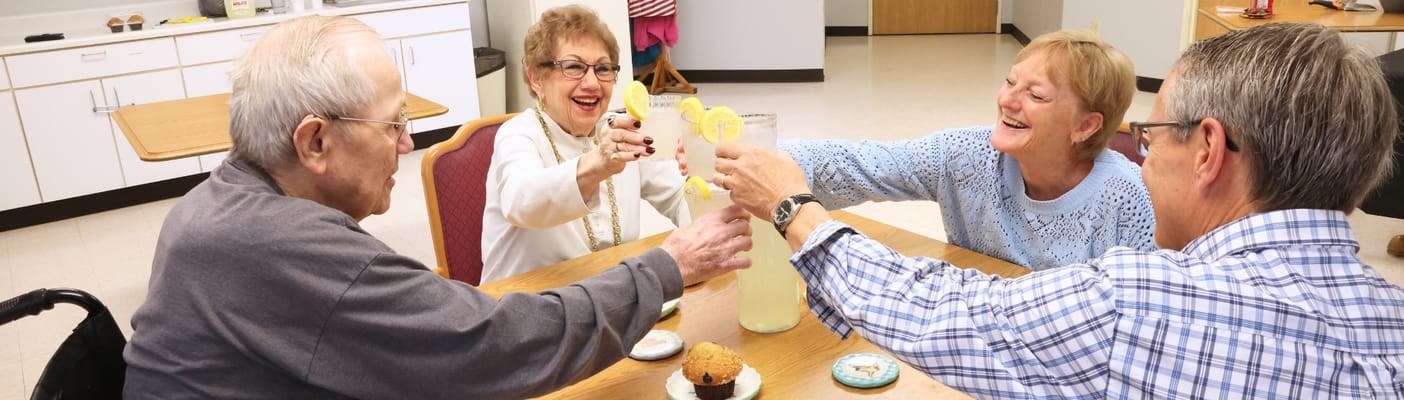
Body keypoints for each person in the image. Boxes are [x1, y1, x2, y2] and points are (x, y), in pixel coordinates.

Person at [717, 22, 1404, 397]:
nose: (1143, 152)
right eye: (1009, 82)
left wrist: (791, 210)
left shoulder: (1143, 297)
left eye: (1153, 135)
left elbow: (939, 315)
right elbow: (864, 162)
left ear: (1209, 150)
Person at [123, 15, 753, 399]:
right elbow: (493, 345)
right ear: (313, 141)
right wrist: (665, 267)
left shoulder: (221, 200)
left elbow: (676, 195)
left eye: (604, 68)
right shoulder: (286, 247)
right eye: (393, 125)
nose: (405, 144)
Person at [749, 29, 1153, 271]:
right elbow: (860, 165)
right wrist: (752, 154)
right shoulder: (966, 154)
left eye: (1035, 95)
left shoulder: (1129, 199)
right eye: (1010, 82)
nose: (1008, 101)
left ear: (1085, 126)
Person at [481, 5, 689, 283]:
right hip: (522, 309)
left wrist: (706, 179)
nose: (592, 83)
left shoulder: (620, 131)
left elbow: (679, 196)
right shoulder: (518, 134)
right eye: (574, 67)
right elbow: (522, 202)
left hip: (607, 304)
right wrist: (597, 164)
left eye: (603, 69)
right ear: (536, 78)